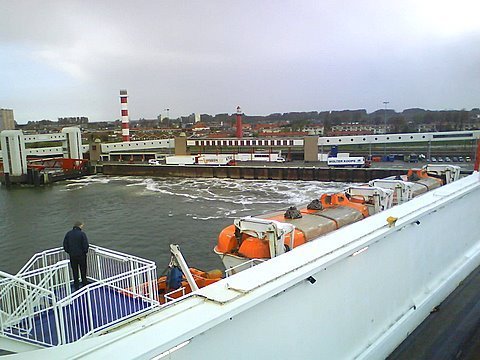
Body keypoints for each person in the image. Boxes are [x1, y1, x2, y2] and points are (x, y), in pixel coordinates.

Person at [63, 221, 89, 290]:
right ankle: (84, 284)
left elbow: (65, 245)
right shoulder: (82, 234)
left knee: (75, 271)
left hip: (72, 256)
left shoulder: (68, 234)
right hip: (81, 256)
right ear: (80, 226)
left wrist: (69, 252)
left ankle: (76, 285)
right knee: (83, 270)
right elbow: (85, 245)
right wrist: (85, 252)